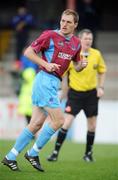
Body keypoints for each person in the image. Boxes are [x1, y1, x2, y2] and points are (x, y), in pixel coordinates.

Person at [1, 9, 88, 172]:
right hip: (44, 80)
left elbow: (75, 66)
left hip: (53, 82)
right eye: (63, 20)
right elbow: (28, 52)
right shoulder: (49, 35)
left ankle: (10, 157)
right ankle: (33, 153)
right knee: (59, 121)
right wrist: (46, 64)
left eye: (69, 22)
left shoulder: (77, 43)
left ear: (75, 25)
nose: (64, 24)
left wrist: (81, 66)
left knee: (35, 124)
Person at [47, 29, 107, 162]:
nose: (88, 41)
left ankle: (88, 154)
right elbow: (64, 75)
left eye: (90, 39)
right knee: (66, 123)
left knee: (92, 126)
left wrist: (101, 87)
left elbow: (102, 71)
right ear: (79, 40)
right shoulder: (73, 54)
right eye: (85, 38)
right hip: (75, 95)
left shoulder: (96, 54)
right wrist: (62, 93)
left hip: (91, 94)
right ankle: (55, 153)